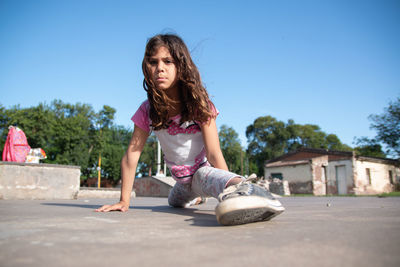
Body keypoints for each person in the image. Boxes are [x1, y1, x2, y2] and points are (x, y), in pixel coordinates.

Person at [95, 34, 284, 225]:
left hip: (202, 172)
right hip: (182, 182)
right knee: (174, 201)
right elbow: (131, 155)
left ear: (181, 66)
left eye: (168, 61)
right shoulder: (147, 110)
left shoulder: (199, 105)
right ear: (146, 67)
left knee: (203, 176)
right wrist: (124, 201)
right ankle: (199, 196)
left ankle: (249, 191)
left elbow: (213, 152)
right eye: (153, 62)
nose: (160, 68)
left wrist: (227, 191)